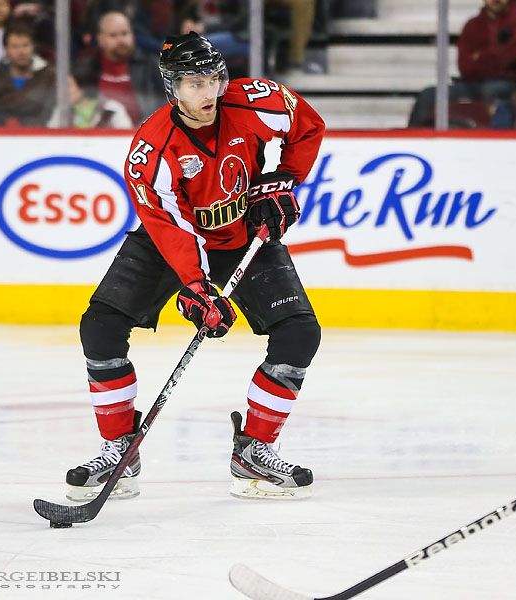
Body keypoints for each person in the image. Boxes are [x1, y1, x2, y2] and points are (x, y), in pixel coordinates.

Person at [64, 32, 325, 502]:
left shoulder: (256, 100)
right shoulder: (152, 147)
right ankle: (120, 446)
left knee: (300, 333)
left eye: (213, 78)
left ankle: (255, 450)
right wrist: (195, 285)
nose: (209, 93)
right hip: (173, 242)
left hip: (243, 233)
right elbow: (171, 227)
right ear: (172, 88)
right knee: (101, 326)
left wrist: (281, 180)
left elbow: (308, 127)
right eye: (194, 83)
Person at [73, 11, 167, 126]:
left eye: (125, 33)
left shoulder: (151, 66)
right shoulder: (85, 67)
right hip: (96, 136)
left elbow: (166, 105)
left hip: (143, 133)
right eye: (113, 35)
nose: (121, 40)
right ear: (100, 39)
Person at [457, 0, 516, 103]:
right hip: (475, 83)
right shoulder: (472, 25)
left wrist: (480, 56)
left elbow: (511, 57)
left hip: (513, 83)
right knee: (432, 94)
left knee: (491, 90)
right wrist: (498, 58)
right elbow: (464, 67)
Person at [0, 19, 55, 126]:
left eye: (25, 45)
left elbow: (49, 110)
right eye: (15, 47)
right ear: (6, 50)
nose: (21, 52)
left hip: (39, 135)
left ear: (33, 47)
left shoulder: (49, 76)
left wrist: (5, 101)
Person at [45, 61, 133, 129]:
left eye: (68, 86)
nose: (62, 91)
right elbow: (49, 138)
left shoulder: (112, 109)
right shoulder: (62, 110)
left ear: (83, 87)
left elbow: (127, 141)